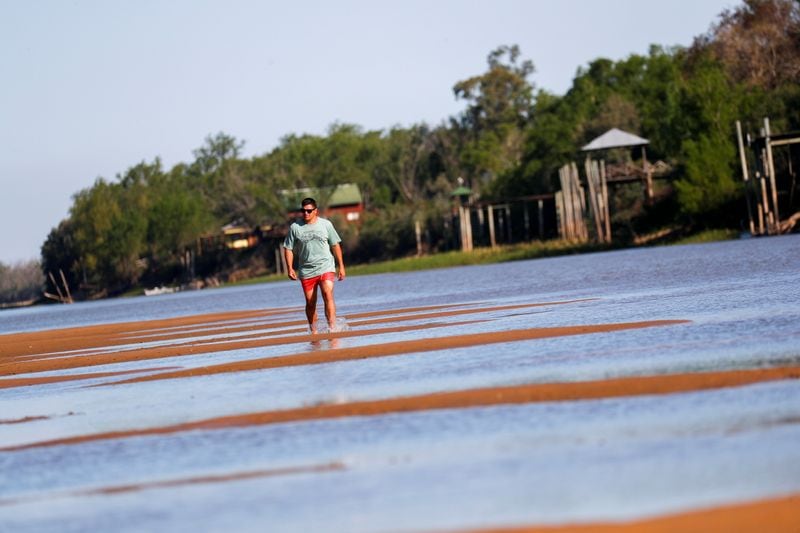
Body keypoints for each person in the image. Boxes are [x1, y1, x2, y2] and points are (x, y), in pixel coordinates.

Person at [283, 197, 346, 334]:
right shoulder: (295, 227)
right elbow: (288, 248)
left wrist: (341, 266)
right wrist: (290, 268)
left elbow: (335, 245)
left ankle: (332, 328)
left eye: (309, 211)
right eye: (303, 211)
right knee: (310, 303)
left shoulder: (326, 225)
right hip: (306, 270)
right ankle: (314, 330)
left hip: (326, 266)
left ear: (315, 211)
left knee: (327, 294)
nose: (306, 213)